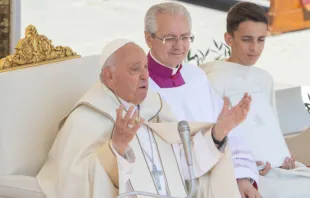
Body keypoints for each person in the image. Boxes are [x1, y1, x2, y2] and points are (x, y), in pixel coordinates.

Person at [36, 39, 251, 198]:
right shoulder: (86, 118)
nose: (145, 76)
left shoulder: (154, 108)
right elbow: (74, 183)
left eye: (146, 68)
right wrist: (116, 148)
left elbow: (184, 165)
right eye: (134, 69)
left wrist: (219, 131)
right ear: (109, 76)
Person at [144, 2, 259, 198]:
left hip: (223, 177)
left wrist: (242, 178)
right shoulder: (141, 89)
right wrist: (219, 132)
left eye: (185, 37)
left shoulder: (195, 76)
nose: (179, 46)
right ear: (149, 38)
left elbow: (231, 131)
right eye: (170, 38)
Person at [200, 2, 310, 198]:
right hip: (237, 171)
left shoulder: (264, 78)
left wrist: (283, 156)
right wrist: (244, 169)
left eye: (261, 40)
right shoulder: (213, 78)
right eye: (246, 40)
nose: (255, 48)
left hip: (275, 167)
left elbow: (271, 130)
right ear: (229, 39)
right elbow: (209, 138)